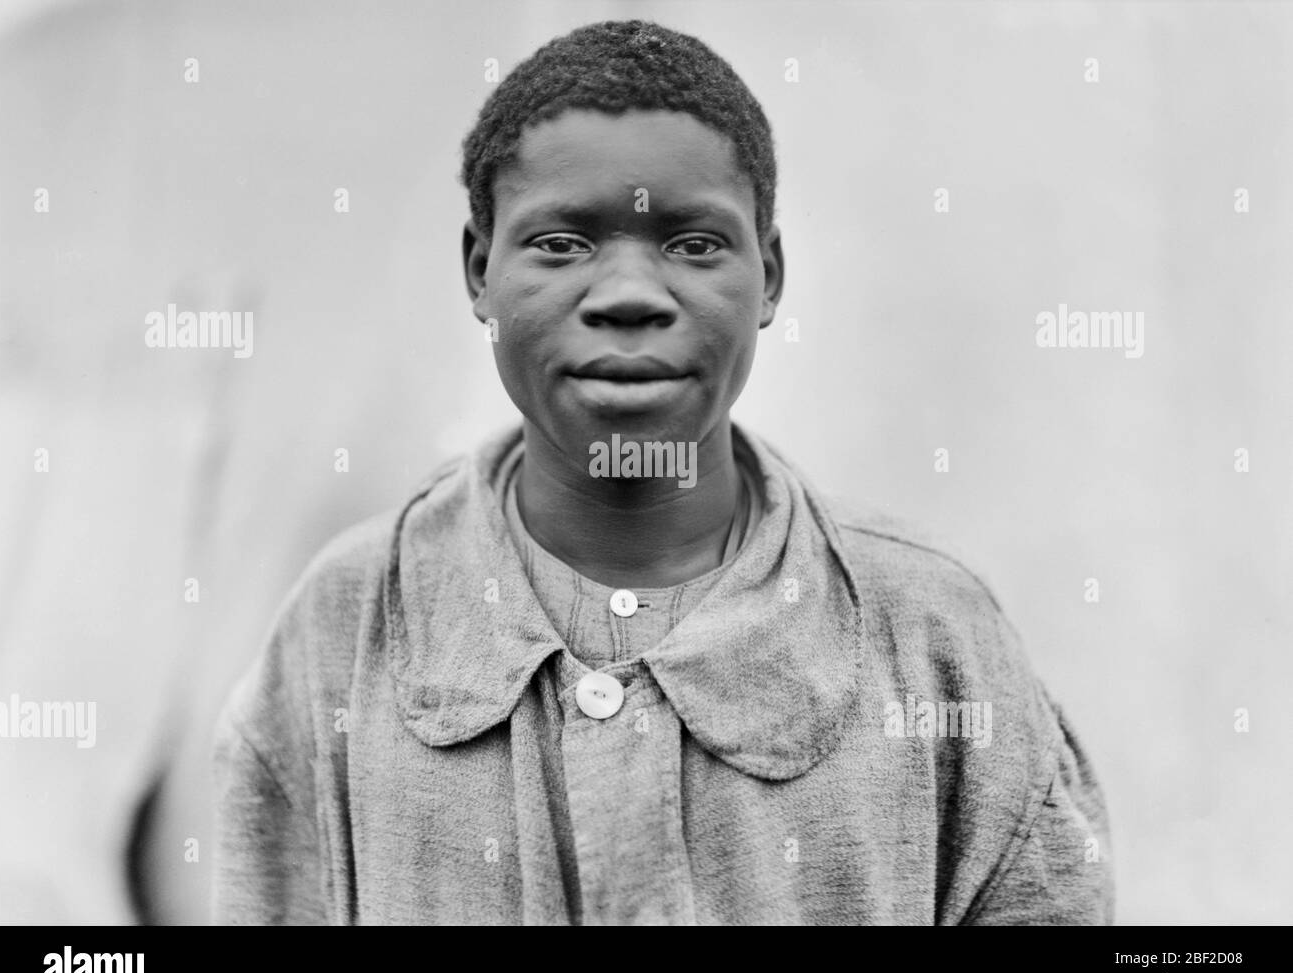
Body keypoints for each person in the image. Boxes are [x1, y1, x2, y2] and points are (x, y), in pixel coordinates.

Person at [212, 19, 1114, 925]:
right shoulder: (348, 627)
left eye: (692, 243)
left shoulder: (931, 640)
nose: (630, 295)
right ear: (480, 272)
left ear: (770, 277)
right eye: (563, 243)